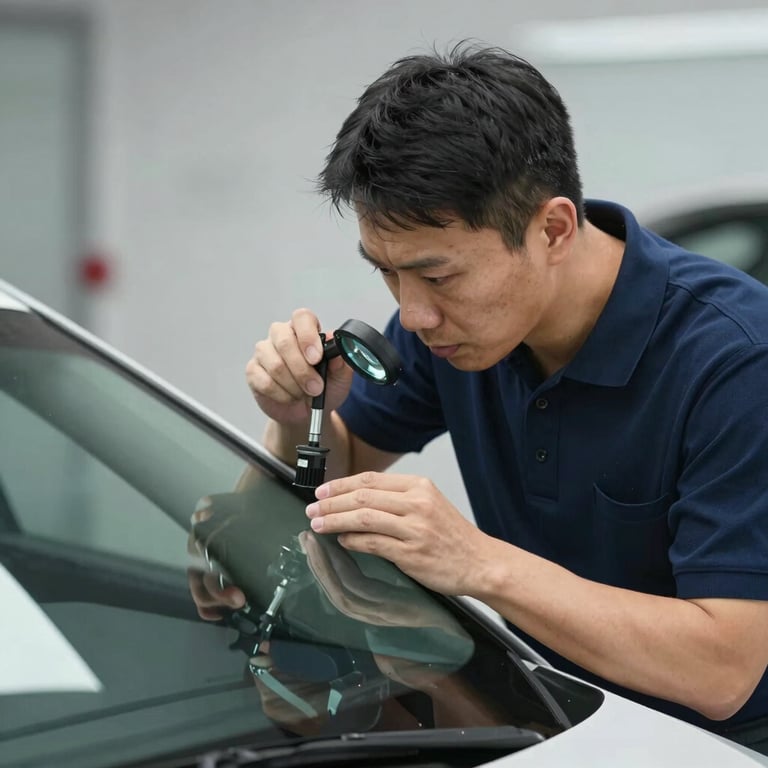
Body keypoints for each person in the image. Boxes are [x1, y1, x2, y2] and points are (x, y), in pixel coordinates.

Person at [232, 43, 768, 750]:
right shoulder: (452, 332)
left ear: (552, 229)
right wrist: (302, 416)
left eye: (438, 276)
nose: (414, 314)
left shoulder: (736, 360)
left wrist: (478, 563)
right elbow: (341, 464)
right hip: (553, 713)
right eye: (388, 274)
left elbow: (722, 668)